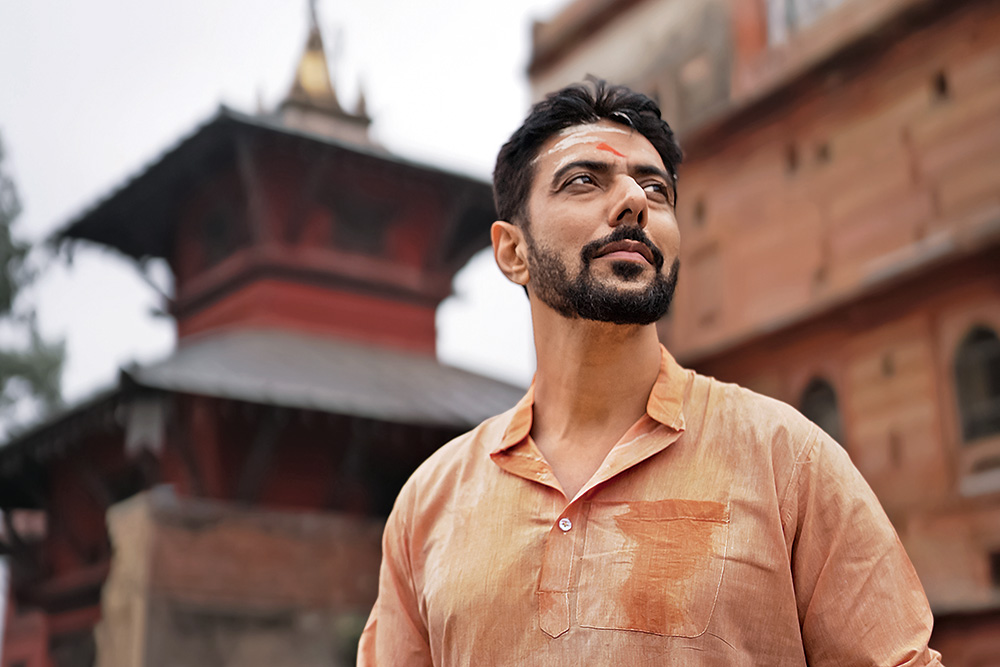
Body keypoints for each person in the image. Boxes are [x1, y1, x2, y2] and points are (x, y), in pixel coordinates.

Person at [357, 79, 942, 666]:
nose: (634, 200)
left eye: (655, 189)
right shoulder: (430, 505)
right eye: (583, 180)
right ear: (513, 252)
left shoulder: (785, 459)